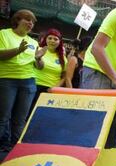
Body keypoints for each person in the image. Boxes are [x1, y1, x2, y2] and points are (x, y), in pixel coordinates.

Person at [0, 10, 40, 151]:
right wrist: (18, 50)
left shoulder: (34, 42)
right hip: (6, 80)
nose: (30, 23)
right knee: (3, 117)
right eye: (27, 19)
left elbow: (38, 67)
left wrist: (39, 58)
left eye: (33, 22)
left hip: (28, 82)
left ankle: (14, 149)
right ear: (17, 20)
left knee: (20, 119)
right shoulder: (3, 34)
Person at [31, 28, 67, 110]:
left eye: (55, 39)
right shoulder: (39, 50)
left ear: (59, 42)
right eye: (50, 38)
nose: (52, 41)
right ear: (45, 39)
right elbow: (39, 67)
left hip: (51, 90)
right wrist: (38, 58)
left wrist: (55, 88)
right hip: (34, 86)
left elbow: (64, 77)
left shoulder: (63, 58)